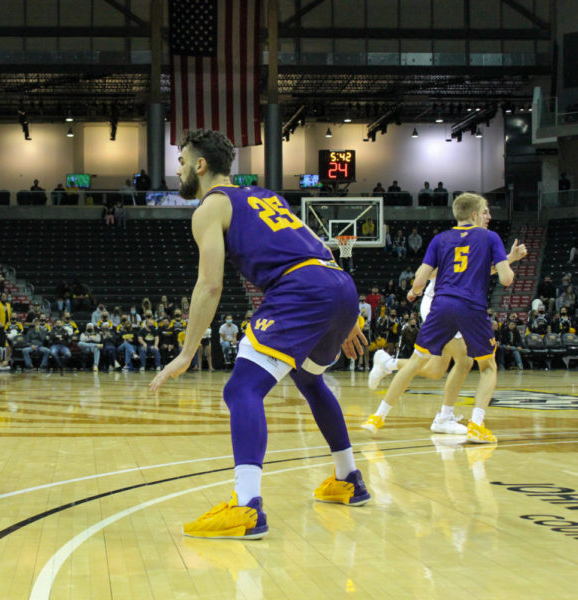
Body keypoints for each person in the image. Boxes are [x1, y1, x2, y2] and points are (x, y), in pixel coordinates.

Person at [150, 129, 370, 541]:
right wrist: (346, 312)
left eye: (181, 162)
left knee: (241, 391)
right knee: (309, 379)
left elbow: (210, 286)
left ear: (200, 165)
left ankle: (247, 506)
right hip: (336, 282)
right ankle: (349, 479)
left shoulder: (210, 208)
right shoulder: (268, 196)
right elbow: (312, 243)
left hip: (301, 289)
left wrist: (186, 352)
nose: (177, 170)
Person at [363, 193, 516, 445]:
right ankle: (476, 425)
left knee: (421, 362)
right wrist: (507, 263)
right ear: (475, 215)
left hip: (441, 304)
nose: (489, 216)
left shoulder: (440, 238)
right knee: (487, 367)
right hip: (471, 307)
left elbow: (421, 277)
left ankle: (377, 417)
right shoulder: (490, 238)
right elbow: (506, 280)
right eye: (486, 212)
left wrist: (413, 291)